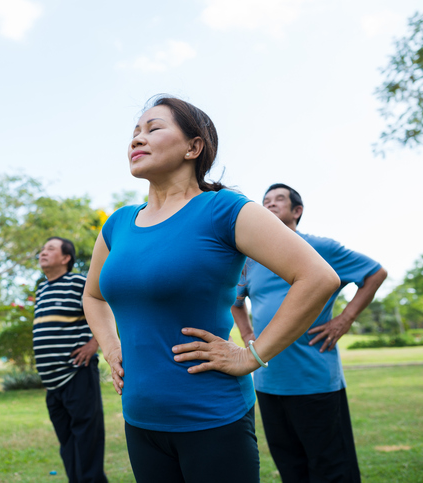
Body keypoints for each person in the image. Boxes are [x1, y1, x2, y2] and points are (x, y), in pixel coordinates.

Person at [82, 95, 341, 482]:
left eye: (153, 129)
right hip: (140, 421)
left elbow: (319, 278)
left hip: (213, 418)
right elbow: (93, 294)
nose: (137, 139)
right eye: (135, 132)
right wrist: (110, 346)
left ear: (193, 146)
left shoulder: (224, 210)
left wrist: (252, 355)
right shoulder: (118, 223)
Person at [232, 183, 387, 483]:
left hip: (315, 380)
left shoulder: (322, 248)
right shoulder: (251, 260)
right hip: (267, 380)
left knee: (332, 469)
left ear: (297, 211)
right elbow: (236, 303)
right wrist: (247, 333)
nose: (270, 204)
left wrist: (345, 319)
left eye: (279, 200)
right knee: (291, 468)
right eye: (265, 201)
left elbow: (375, 273)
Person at [33, 237, 107, 483]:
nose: (43, 252)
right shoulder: (41, 288)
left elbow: (105, 307)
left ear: (66, 258)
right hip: (52, 381)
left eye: (50, 249)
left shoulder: (78, 281)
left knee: (87, 439)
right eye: (43, 249)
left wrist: (93, 344)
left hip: (77, 372)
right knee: (67, 443)